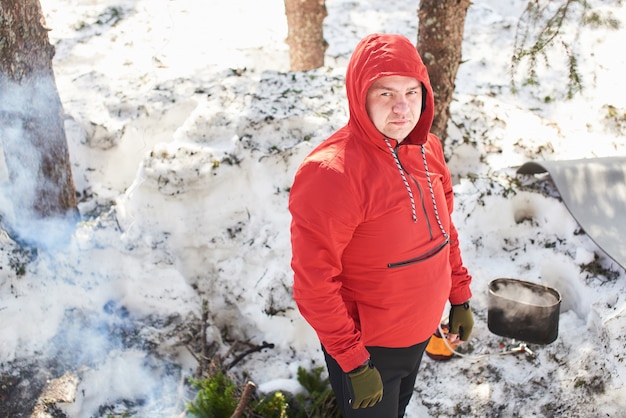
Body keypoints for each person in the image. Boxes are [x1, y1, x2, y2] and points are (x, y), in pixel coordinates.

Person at [288, 33, 474, 417]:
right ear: (360, 96)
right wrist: (354, 362)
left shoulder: (428, 149)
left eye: (411, 92)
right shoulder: (331, 174)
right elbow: (314, 284)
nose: (402, 109)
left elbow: (444, 230)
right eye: (385, 94)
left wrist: (459, 294)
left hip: (418, 334)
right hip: (370, 351)